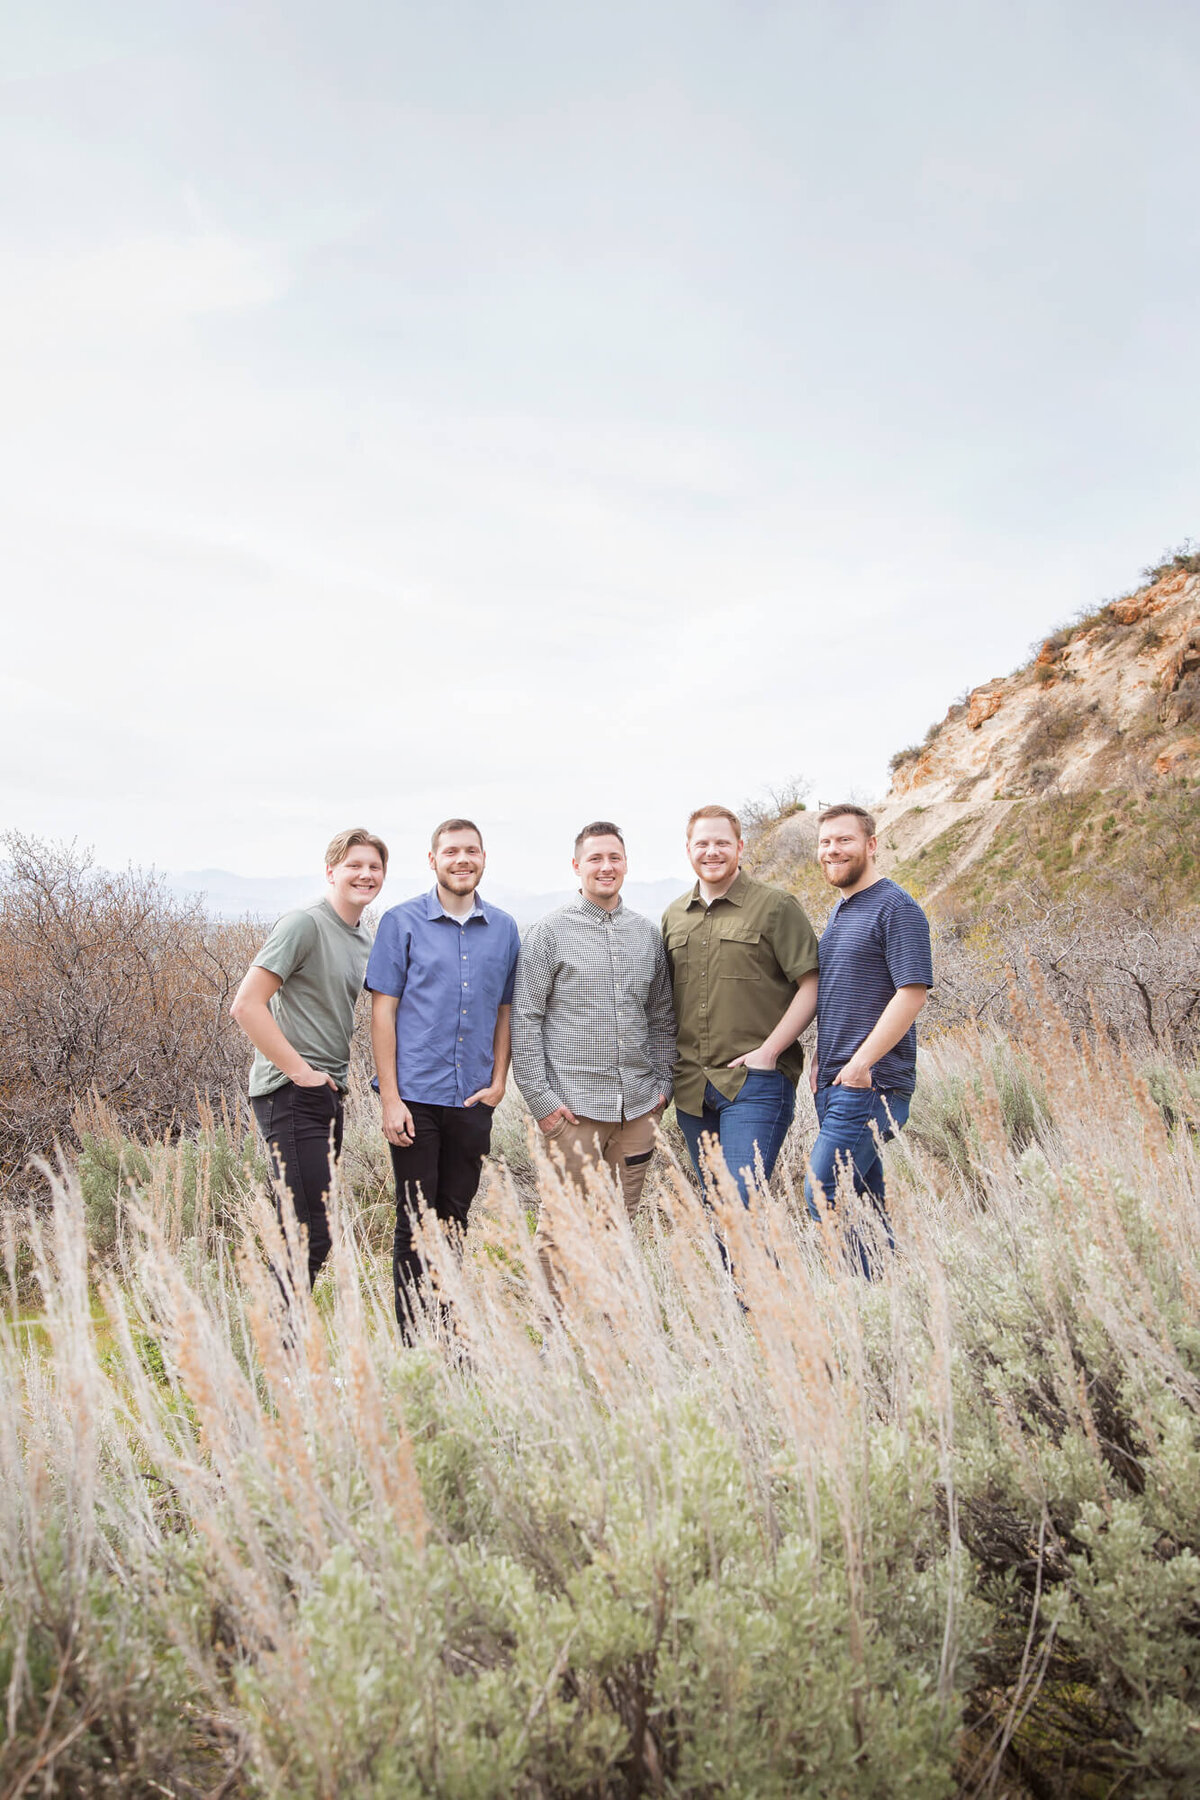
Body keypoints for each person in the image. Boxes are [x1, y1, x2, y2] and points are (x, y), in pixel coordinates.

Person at [367, 819, 519, 1331]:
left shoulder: (504, 929)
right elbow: (383, 1012)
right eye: (451, 851)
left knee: (454, 1218)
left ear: (483, 858)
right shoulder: (401, 921)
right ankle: (416, 1346)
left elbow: (503, 1011)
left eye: (471, 851)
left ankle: (448, 1334)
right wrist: (390, 1098)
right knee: (414, 1220)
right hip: (415, 1099)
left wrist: (499, 1083)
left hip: (473, 1100)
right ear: (432, 860)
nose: (462, 859)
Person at [511, 821, 675, 1266]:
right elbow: (524, 1019)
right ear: (576, 866)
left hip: (638, 1109)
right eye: (596, 858)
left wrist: (662, 1090)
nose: (606, 867)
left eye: (614, 858)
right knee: (561, 1231)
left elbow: (661, 1015)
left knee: (620, 1229)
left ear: (626, 864)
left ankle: (611, 1331)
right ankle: (554, 1333)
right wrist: (543, 1103)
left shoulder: (646, 935)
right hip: (573, 1111)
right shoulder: (548, 933)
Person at [230, 827, 388, 1288]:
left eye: (374, 867)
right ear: (331, 871)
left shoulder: (362, 936)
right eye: (354, 865)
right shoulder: (304, 923)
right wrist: (300, 1073)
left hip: (324, 1096)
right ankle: (280, 1348)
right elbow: (246, 1004)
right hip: (290, 1094)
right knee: (309, 1235)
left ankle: (282, 1347)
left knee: (300, 1231)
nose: (365, 874)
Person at [662, 805, 819, 1203]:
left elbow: (812, 985)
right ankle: (741, 1270)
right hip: (693, 1088)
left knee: (740, 1202)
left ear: (740, 847)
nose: (711, 851)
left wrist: (769, 1052)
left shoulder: (776, 907)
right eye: (702, 843)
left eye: (721, 842)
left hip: (756, 1083)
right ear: (688, 849)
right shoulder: (673, 916)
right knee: (721, 1208)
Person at [804, 804, 933, 1272]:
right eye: (825, 842)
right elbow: (844, 993)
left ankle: (862, 1293)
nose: (832, 850)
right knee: (865, 1196)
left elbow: (912, 993)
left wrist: (860, 1066)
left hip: (871, 1084)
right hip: (837, 1083)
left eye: (844, 840)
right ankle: (891, 1293)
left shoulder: (896, 908)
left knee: (823, 1191)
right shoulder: (842, 910)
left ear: (871, 845)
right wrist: (822, 1059)